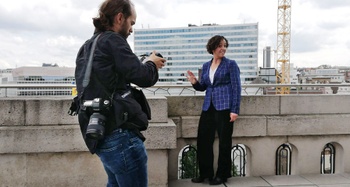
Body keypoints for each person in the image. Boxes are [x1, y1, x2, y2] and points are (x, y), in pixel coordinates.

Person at [74, 0, 166, 186]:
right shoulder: (113, 40)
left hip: (100, 132)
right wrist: (151, 63)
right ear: (119, 18)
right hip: (120, 135)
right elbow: (143, 77)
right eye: (131, 23)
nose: (131, 29)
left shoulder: (87, 46)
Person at [186, 35, 241, 185]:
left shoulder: (231, 64)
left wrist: (235, 110)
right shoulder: (205, 66)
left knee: (224, 142)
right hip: (208, 107)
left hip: (225, 107)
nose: (223, 48)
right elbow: (203, 87)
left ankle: (222, 175)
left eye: (225, 45)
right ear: (212, 48)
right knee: (203, 140)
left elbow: (237, 88)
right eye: (220, 45)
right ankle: (205, 174)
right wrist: (194, 82)